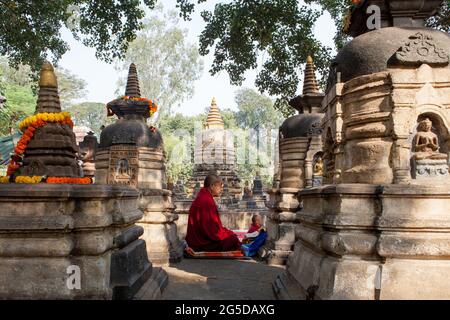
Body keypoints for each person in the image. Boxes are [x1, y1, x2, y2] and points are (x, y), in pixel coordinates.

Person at [185, 174, 242, 252]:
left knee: (230, 234)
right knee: (233, 240)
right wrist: (227, 234)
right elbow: (212, 232)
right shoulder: (206, 201)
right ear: (212, 186)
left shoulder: (204, 197)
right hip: (202, 243)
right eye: (220, 186)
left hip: (197, 240)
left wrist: (226, 232)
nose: (221, 189)